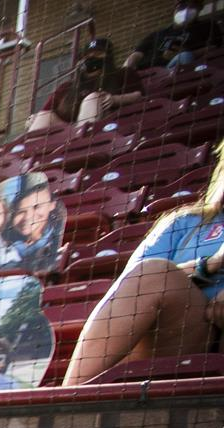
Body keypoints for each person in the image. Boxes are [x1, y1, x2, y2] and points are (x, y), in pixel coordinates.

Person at [64, 148, 224, 383]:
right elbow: (136, 285)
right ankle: (68, 397)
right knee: (154, 273)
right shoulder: (185, 222)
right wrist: (209, 264)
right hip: (172, 333)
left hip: (212, 342)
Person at [28, 37, 141, 131]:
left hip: (106, 128)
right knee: (44, 116)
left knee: (92, 99)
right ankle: (26, 154)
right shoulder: (67, 87)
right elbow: (46, 112)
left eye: (98, 53)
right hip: (68, 133)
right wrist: (34, 118)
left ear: (108, 56)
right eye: (87, 55)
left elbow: (141, 97)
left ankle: (83, 146)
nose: (92, 57)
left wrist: (115, 99)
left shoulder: (123, 74)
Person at [1, 173, 64, 276]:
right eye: (20, 211)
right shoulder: (2, 246)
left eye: (36, 207)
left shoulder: (60, 234)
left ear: (52, 205)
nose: (27, 217)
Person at [128, 3, 224, 69]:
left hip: (182, 68)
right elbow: (136, 55)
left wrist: (185, 52)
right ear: (175, 8)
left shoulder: (207, 26)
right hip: (153, 73)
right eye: (181, 6)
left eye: (192, 5)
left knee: (184, 56)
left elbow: (214, 47)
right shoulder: (157, 34)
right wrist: (127, 71)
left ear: (199, 8)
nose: (186, 10)